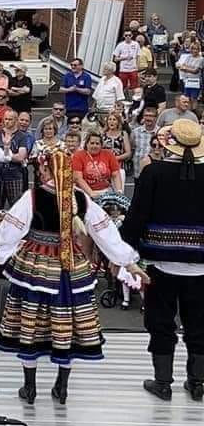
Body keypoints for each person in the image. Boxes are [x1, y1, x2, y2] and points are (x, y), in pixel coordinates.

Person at [0, 143, 145, 405]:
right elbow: (105, 233)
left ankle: (30, 387)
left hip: (36, 265)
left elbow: (10, 232)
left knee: (31, 322)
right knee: (66, 323)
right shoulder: (81, 198)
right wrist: (128, 261)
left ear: (46, 169)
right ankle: (62, 386)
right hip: (70, 268)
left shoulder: (33, 196)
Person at [123, 119, 204, 402]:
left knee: (160, 321)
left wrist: (124, 251)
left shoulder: (154, 173)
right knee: (199, 323)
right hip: (201, 266)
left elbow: (137, 216)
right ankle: (197, 381)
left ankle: (163, 382)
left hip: (160, 262)